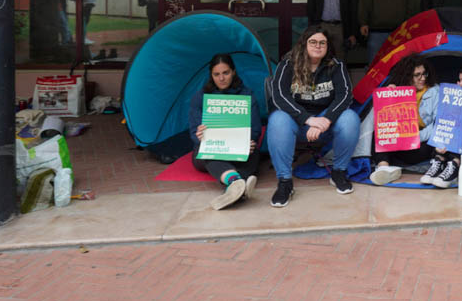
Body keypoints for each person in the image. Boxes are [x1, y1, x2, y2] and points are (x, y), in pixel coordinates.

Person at [266, 25, 360, 207]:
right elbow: (279, 96)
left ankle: (338, 172)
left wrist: (325, 120)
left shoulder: (336, 65)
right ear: (304, 44)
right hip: (296, 121)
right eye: (313, 42)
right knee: (277, 120)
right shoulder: (288, 64)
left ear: (327, 46)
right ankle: (285, 182)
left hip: (325, 121)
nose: (318, 46)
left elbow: (345, 96)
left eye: (322, 43)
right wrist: (308, 120)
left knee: (350, 118)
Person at [189, 54, 268, 210]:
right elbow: (193, 132)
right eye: (216, 74)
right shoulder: (201, 96)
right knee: (202, 153)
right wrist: (199, 135)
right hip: (213, 149)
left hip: (238, 149)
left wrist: (248, 141)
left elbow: (256, 129)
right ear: (211, 75)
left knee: (253, 154)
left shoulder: (246, 94)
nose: (221, 78)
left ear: (233, 72)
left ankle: (233, 186)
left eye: (226, 73)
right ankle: (240, 183)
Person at [368, 54, 441, 186]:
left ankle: (390, 166)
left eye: (424, 74)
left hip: (420, 144)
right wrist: (389, 97)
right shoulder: (400, 90)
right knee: (379, 132)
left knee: (433, 144)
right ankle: (383, 168)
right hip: (400, 144)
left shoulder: (435, 91)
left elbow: (438, 125)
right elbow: (387, 122)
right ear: (408, 76)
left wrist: (415, 137)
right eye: (417, 75)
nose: (422, 78)